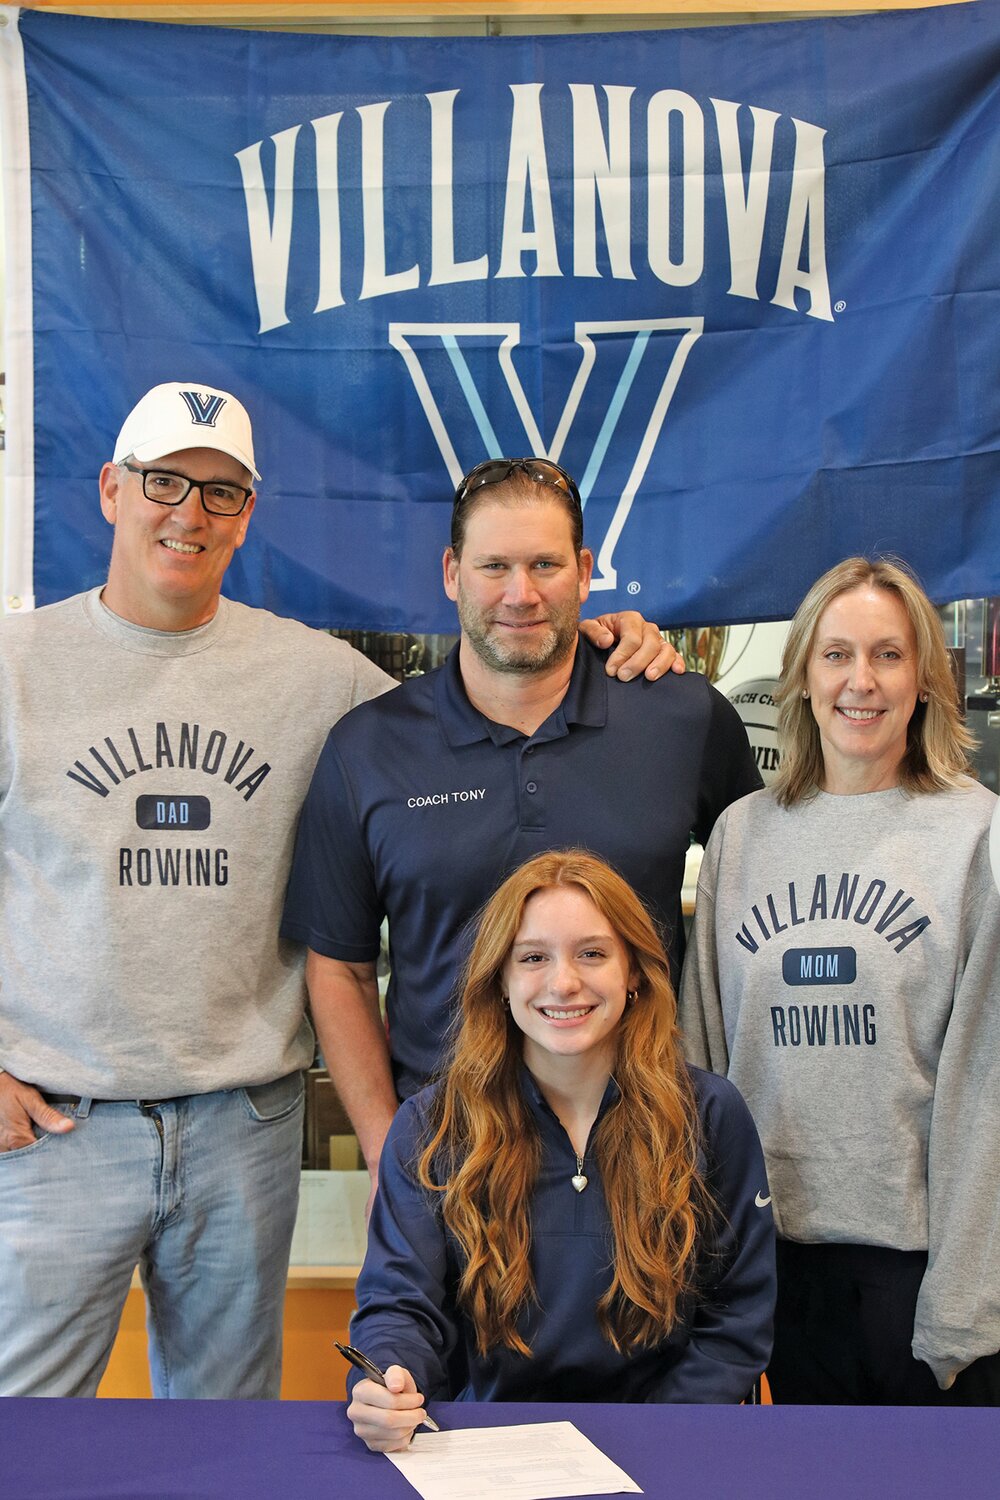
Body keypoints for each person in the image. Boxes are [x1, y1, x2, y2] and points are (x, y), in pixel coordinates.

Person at [0, 388, 666, 1400]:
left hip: (243, 1127)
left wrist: (602, 641)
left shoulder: (324, 683)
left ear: (249, 512)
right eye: (164, 483)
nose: (190, 513)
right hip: (58, 1125)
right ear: (110, 491)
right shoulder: (16, 665)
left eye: (220, 492)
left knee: (224, 1438)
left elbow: (482, 691)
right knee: (25, 1431)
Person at [281, 457, 761, 1206]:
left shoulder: (682, 719)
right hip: (450, 1167)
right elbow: (336, 968)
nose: (520, 594)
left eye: (544, 564)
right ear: (451, 572)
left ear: (585, 570)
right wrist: (386, 1154)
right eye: (494, 566)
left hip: (647, 1160)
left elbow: (753, 925)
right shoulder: (369, 749)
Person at [679, 556, 1000, 1405]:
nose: (862, 681)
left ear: (927, 677)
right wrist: (706, 1268)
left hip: (922, 1268)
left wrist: (963, 1307)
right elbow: (701, 1062)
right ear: (803, 677)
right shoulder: (742, 836)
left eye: (889, 655)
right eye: (837, 654)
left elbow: (986, 1089)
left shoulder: (978, 836)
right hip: (769, 1260)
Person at [346, 850, 776, 1449]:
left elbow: (735, 1321)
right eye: (533, 958)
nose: (564, 981)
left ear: (634, 973)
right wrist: (390, 1381)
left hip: (668, 1445)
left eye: (592, 953)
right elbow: (399, 1305)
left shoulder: (710, 1116)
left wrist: (659, 1441)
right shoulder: (432, 1127)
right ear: (499, 977)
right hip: (487, 1451)